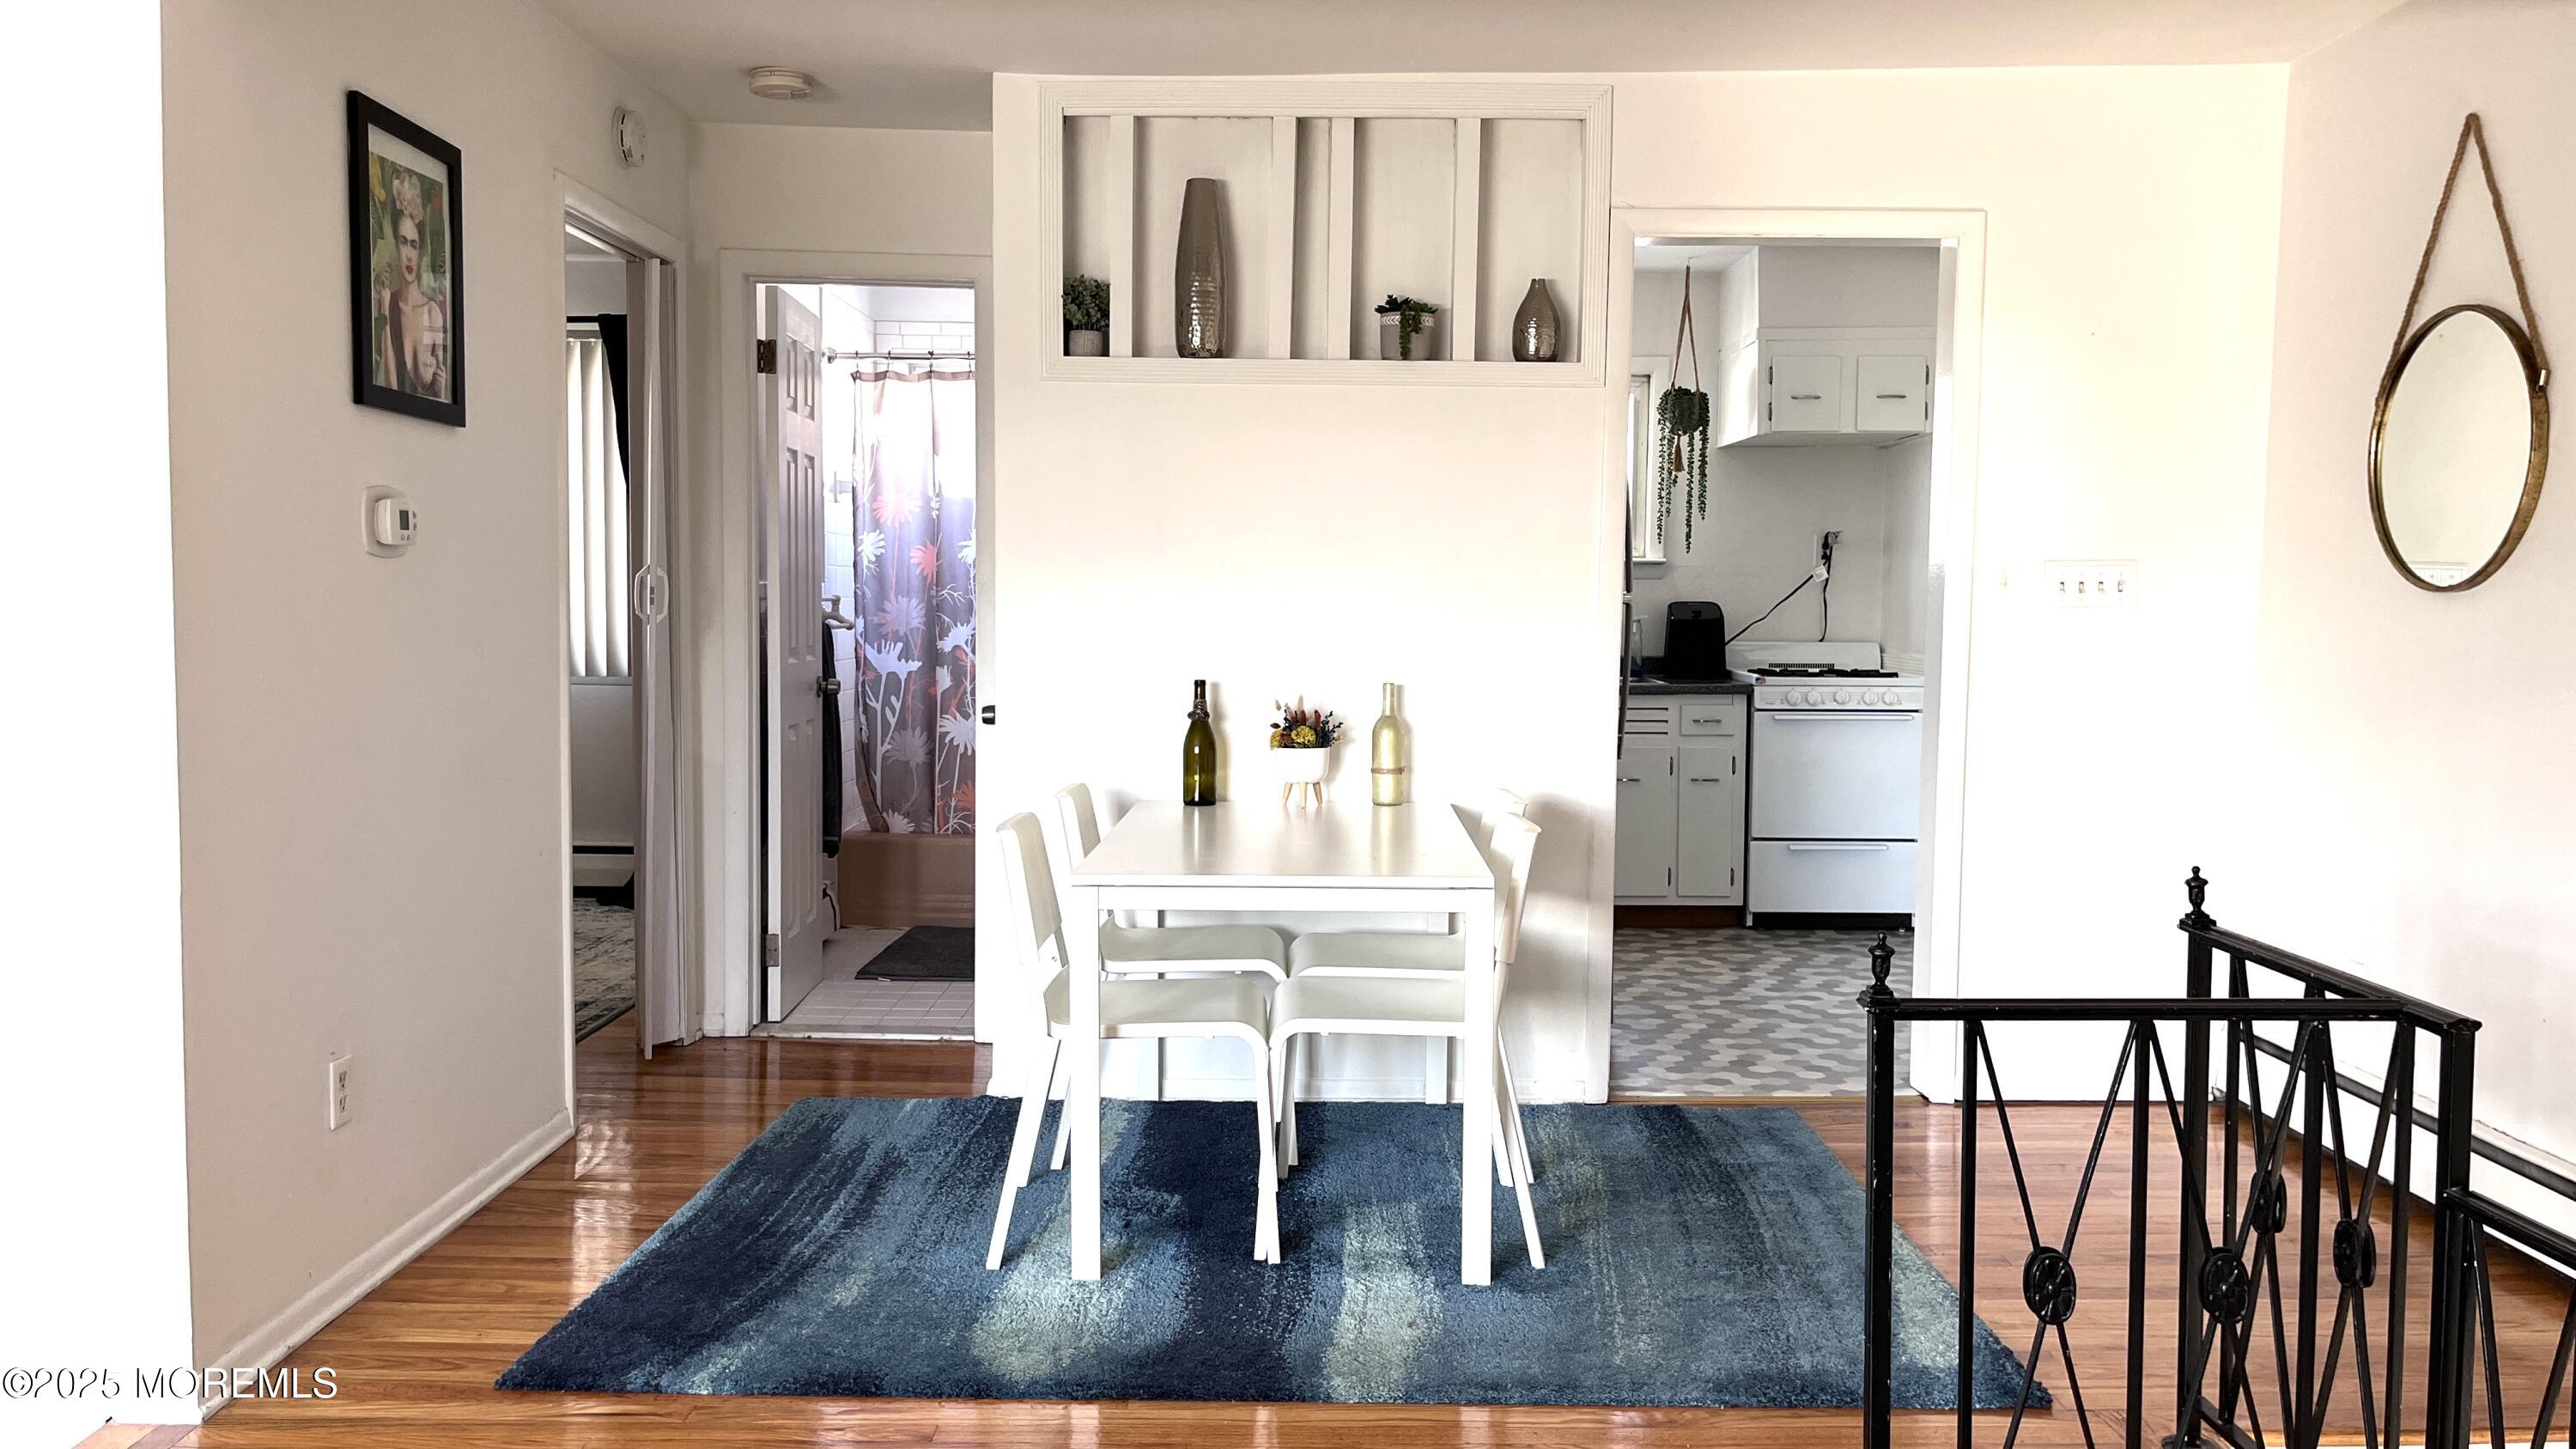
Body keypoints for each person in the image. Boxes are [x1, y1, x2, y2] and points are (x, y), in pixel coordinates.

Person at [373, 168, 448, 399]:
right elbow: (390, 389)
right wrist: (384, 307)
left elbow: (439, 398)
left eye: (414, 245)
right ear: (396, 246)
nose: (408, 255)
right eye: (403, 242)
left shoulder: (432, 313)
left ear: (420, 249)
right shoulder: (388, 304)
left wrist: (442, 390)